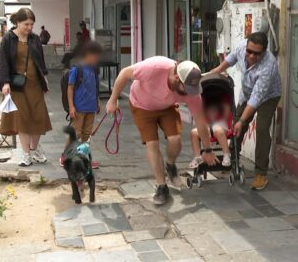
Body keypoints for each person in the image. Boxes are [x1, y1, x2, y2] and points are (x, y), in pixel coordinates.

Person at [106, 57, 218, 205]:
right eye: (187, 89)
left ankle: (170, 165)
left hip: (167, 107)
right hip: (141, 105)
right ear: (177, 78)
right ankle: (161, 186)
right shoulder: (155, 67)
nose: (189, 93)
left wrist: (208, 149)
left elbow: (200, 121)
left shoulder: (192, 93)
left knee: (175, 140)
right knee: (152, 144)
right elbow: (125, 73)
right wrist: (113, 100)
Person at [211, 32, 282, 190]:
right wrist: (213, 73)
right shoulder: (243, 46)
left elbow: (256, 99)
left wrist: (243, 120)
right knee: (236, 126)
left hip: (268, 97)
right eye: (249, 51)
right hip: (247, 93)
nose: (250, 55)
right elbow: (229, 61)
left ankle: (260, 174)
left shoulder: (268, 66)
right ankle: (232, 161)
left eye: (256, 53)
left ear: (263, 52)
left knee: (262, 129)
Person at [0, 8, 52, 167]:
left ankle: (34, 149)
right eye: (26, 24)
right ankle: (26, 154)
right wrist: (5, 82)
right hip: (17, 86)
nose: (29, 27)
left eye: (31, 24)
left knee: (37, 117)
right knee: (22, 120)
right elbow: (3, 62)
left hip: (35, 85)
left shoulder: (35, 39)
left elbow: (40, 60)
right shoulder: (8, 39)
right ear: (17, 22)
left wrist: (45, 78)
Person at [68, 40, 102, 142]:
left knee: (87, 134)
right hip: (79, 108)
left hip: (91, 107)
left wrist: (97, 101)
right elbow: (70, 88)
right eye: (95, 57)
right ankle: (66, 156)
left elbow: (94, 87)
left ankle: (83, 155)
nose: (97, 59)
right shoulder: (77, 69)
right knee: (76, 133)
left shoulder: (94, 69)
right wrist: (71, 106)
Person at [189, 94, 231, 169]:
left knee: (218, 130)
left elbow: (226, 114)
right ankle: (197, 157)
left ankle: (226, 155)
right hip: (207, 125)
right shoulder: (203, 103)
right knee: (193, 132)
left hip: (220, 124)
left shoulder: (223, 102)